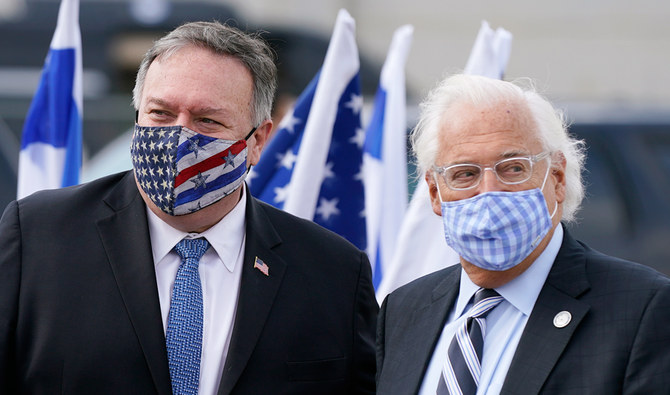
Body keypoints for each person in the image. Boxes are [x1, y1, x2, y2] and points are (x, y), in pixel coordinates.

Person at [0, 21, 377, 394]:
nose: (177, 137)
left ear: (258, 140)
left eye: (207, 120)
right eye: (160, 114)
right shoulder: (38, 238)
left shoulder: (334, 273)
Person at [375, 74, 670, 394]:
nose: (489, 192)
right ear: (435, 193)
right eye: (465, 174)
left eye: (513, 168)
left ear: (557, 178)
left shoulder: (642, 309)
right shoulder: (402, 312)